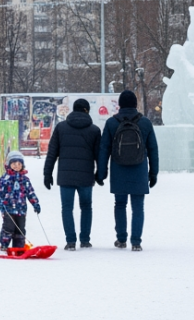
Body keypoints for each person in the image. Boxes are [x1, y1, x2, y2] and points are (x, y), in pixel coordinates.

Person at [96, 90, 159, 251]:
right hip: (139, 170)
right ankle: (136, 242)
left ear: (120, 104)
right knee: (138, 206)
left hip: (119, 169)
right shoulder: (145, 123)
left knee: (120, 204)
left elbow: (104, 149)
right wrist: (154, 173)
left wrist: (101, 173)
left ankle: (121, 239)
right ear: (135, 104)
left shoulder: (112, 123)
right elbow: (153, 149)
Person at [43, 98, 101, 250]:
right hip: (86, 176)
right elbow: (99, 155)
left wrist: (47, 174)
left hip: (66, 176)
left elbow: (52, 153)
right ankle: (85, 240)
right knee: (86, 207)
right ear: (86, 110)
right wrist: (100, 173)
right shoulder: (94, 130)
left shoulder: (61, 128)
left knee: (67, 208)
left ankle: (70, 241)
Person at [0, 151, 40, 253]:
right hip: (8, 209)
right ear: (9, 165)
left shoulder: (25, 180)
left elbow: (30, 193)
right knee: (8, 227)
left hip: (21, 209)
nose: (17, 166)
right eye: (14, 164)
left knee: (20, 228)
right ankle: (4, 245)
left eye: (19, 164)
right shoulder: (5, 179)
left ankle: (18, 247)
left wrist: (35, 203)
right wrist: (0, 203)